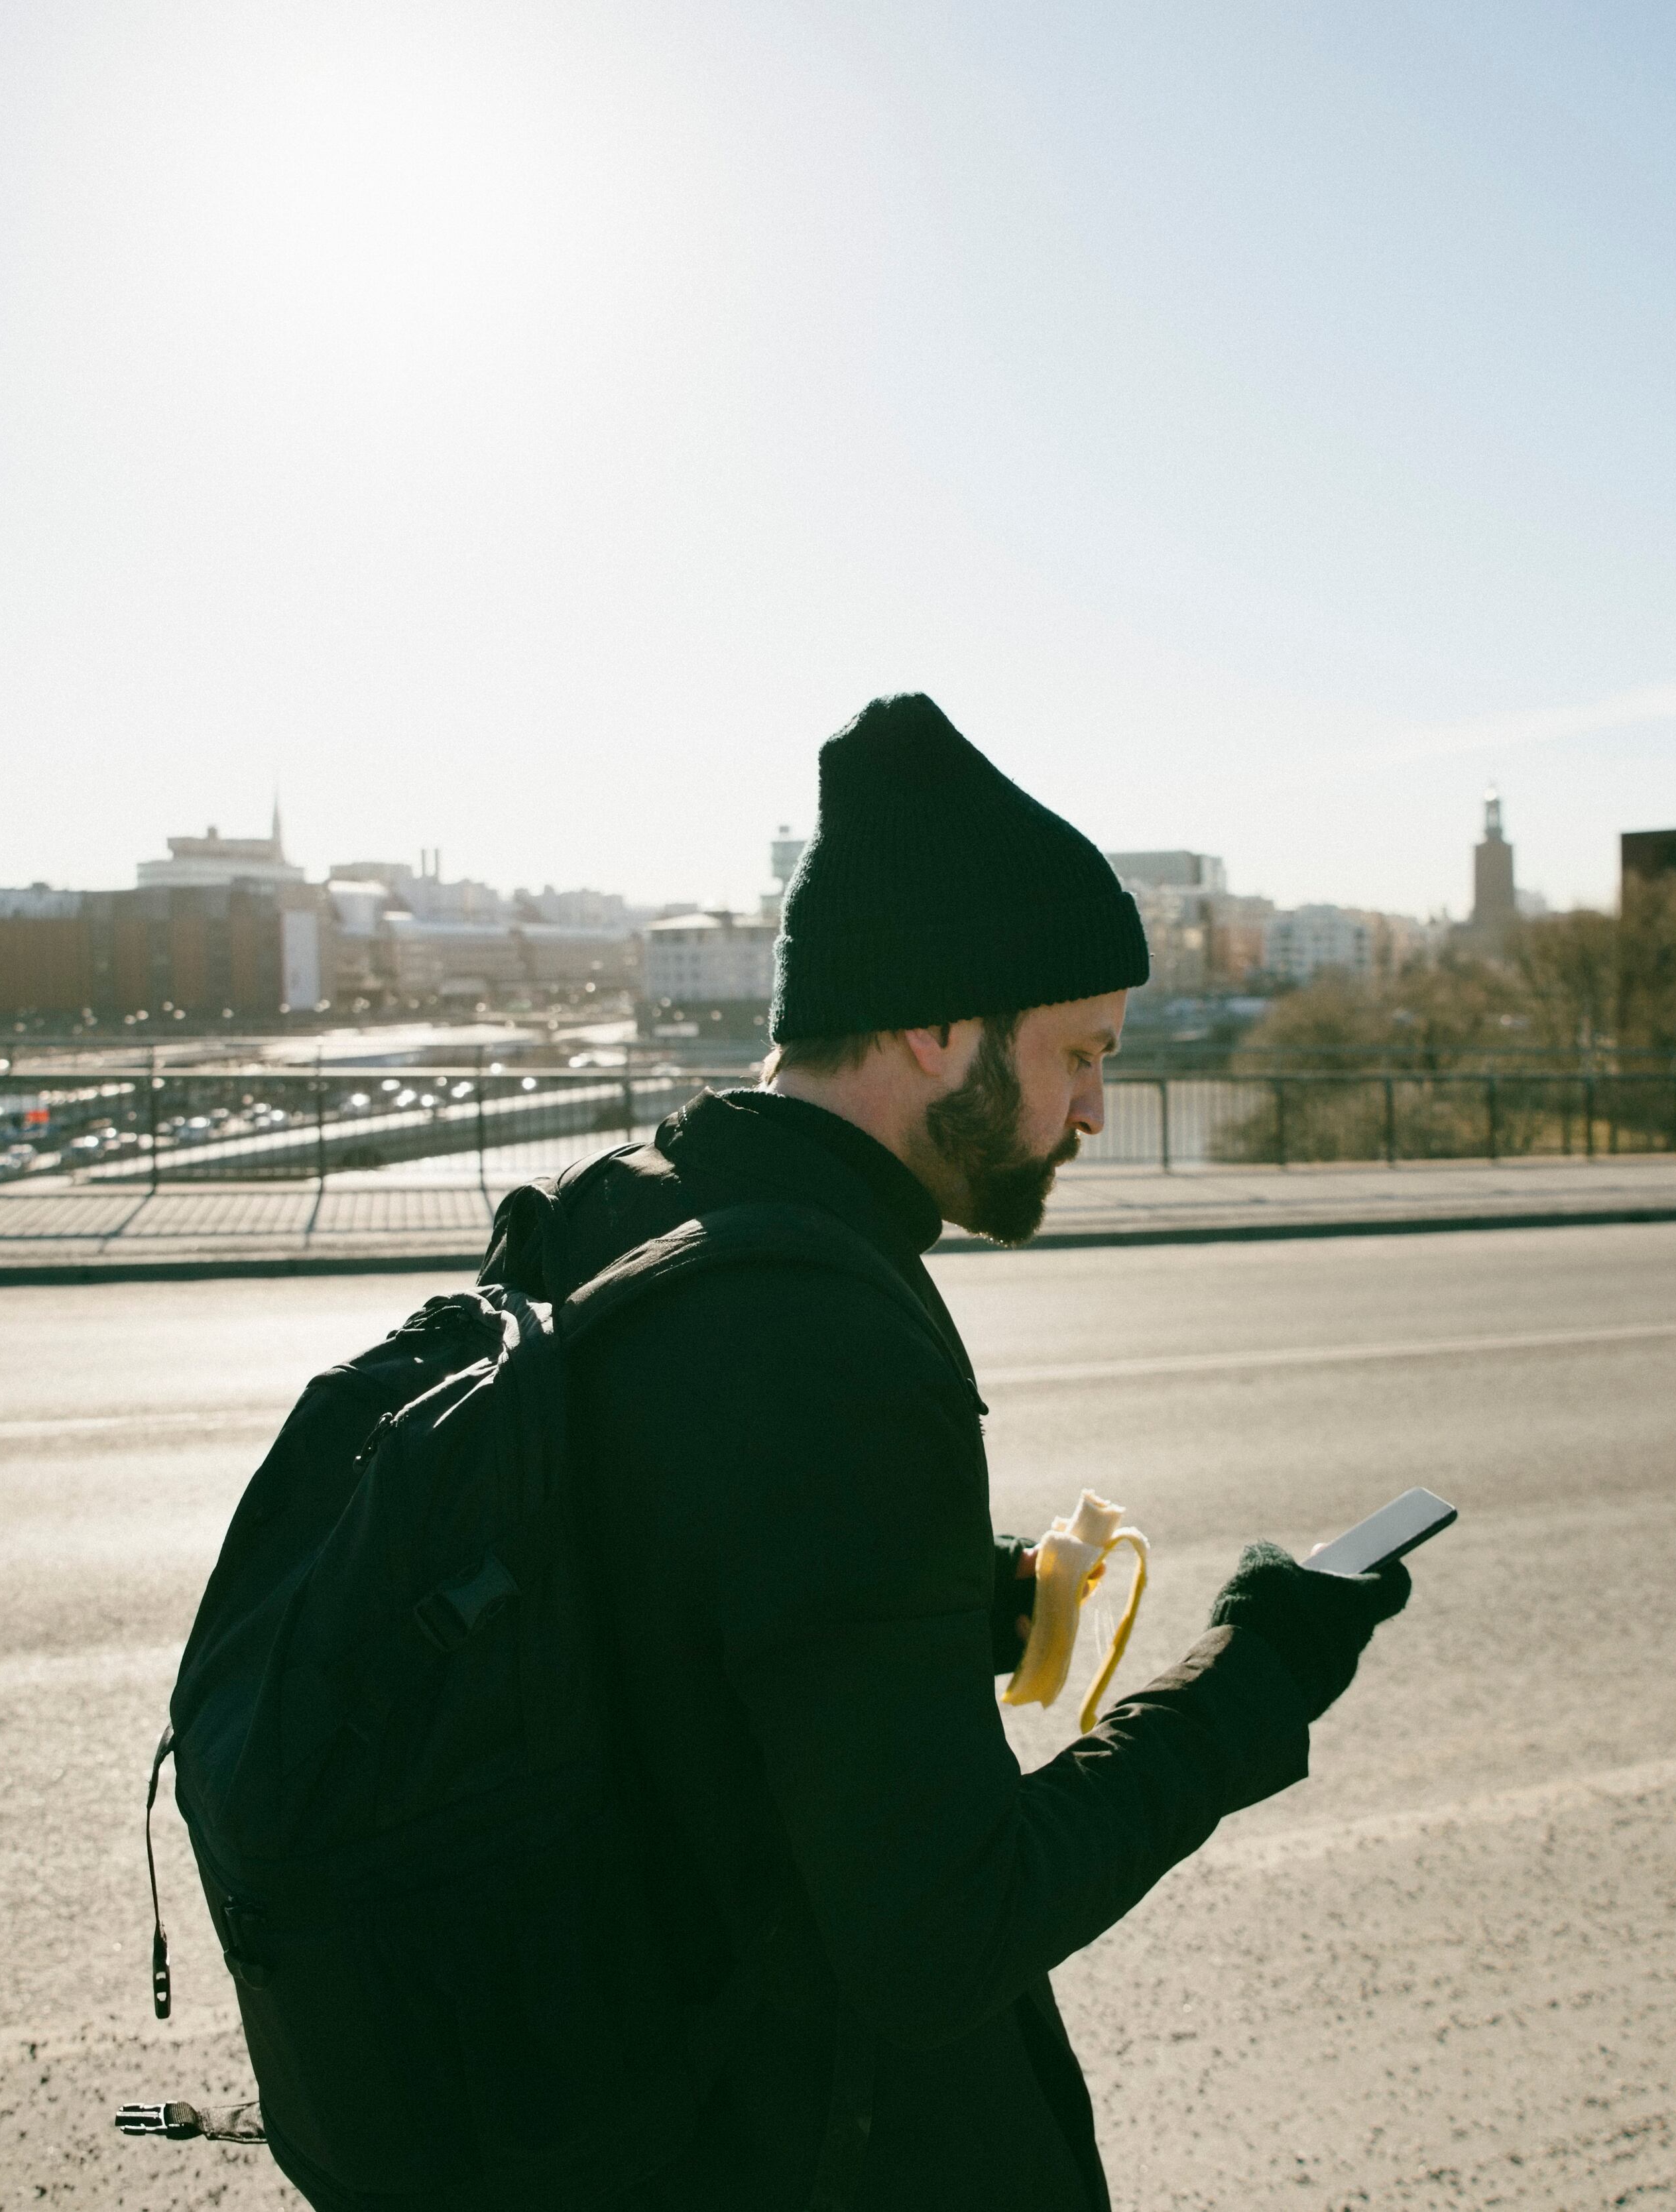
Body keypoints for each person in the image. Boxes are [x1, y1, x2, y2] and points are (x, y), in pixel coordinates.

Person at [479, 693, 1415, 2211]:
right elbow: (946, 1935)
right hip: (806, 2153)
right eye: (1079, 1053)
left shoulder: (617, 1211)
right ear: (936, 1026)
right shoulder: (827, 1340)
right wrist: (1252, 1679)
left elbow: (668, 1594)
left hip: (624, 2106)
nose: (1095, 1110)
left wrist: (968, 1598)